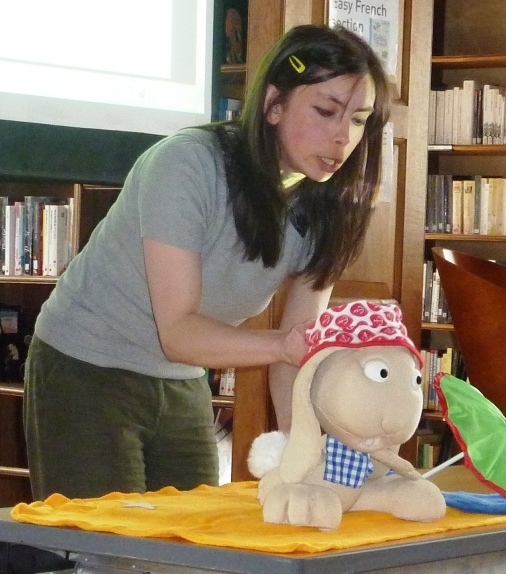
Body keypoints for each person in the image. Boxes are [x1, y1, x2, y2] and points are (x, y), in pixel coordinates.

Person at [23, 23, 391, 500]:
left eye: (359, 120)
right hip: (85, 366)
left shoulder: (329, 208)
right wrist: (285, 346)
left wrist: (300, 451)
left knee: (193, 535)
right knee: (108, 540)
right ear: (274, 104)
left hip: (183, 379)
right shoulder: (186, 163)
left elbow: (296, 353)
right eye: (326, 111)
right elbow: (179, 332)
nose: (343, 136)